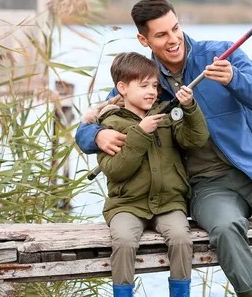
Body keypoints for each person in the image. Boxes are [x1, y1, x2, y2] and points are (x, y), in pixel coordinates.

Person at [76, 0, 252, 297]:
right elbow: (90, 124)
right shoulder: (144, 80)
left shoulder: (219, 53)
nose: (173, 39)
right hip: (206, 186)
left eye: (175, 28)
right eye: (161, 34)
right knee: (225, 230)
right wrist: (96, 136)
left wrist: (234, 78)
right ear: (143, 39)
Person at [81, 52, 209, 297]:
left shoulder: (166, 115)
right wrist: (140, 133)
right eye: (143, 86)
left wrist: (190, 108)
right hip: (126, 205)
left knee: (182, 238)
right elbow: (117, 170)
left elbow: (196, 139)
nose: (151, 91)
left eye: (154, 85)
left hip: (168, 203)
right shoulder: (110, 124)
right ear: (122, 88)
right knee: (124, 242)